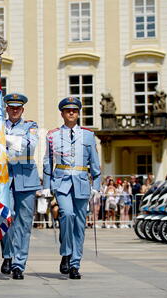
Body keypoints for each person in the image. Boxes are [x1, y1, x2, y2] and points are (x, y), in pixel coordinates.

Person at [43, 97, 101, 279]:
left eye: (74, 111)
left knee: (79, 224)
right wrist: (46, 184)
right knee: (67, 215)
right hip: (62, 183)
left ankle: (75, 263)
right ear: (62, 113)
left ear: (78, 113)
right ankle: (66, 252)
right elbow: (48, 161)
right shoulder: (53, 135)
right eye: (67, 110)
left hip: (82, 182)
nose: (71, 113)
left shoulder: (88, 135)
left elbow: (95, 162)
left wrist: (96, 185)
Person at [0, 93, 41, 280]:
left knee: (24, 224)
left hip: (26, 177)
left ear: (22, 110)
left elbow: (30, 146)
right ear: (6, 109)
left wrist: (6, 140)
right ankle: (7, 254)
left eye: (18, 107)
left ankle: (18, 263)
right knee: (5, 219)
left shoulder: (30, 126)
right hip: (4, 178)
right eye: (11, 107)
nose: (15, 110)